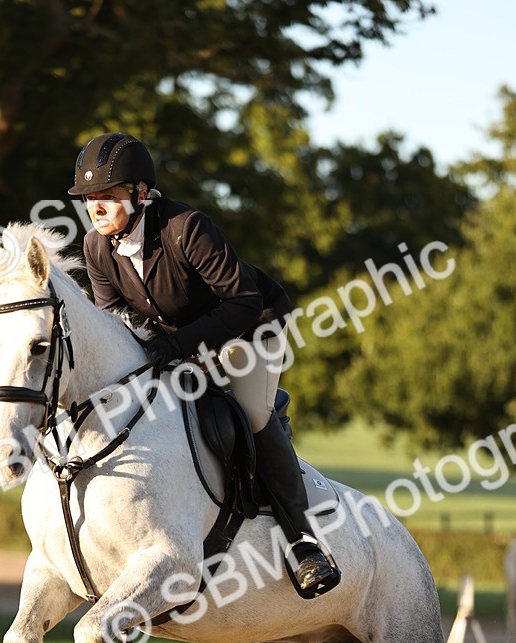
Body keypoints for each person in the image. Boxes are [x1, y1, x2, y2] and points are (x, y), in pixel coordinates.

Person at [68, 131, 340, 599]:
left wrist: (176, 347)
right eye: (90, 197)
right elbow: (112, 319)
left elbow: (242, 300)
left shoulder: (187, 227)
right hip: (182, 341)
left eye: (108, 196)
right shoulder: (97, 248)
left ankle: (303, 542)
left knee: (252, 414)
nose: (96, 206)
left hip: (249, 327)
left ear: (140, 194)